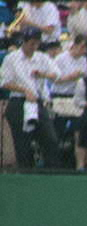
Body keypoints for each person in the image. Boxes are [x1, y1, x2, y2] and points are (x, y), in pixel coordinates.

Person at [0, 27, 60, 168]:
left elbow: (56, 74)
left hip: (37, 102)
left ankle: (51, 171)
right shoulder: (12, 59)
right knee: (23, 143)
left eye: (37, 44)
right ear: (24, 42)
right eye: (31, 43)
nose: (34, 47)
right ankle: (25, 172)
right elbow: (4, 82)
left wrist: (43, 75)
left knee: (50, 139)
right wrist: (24, 90)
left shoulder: (42, 58)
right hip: (19, 101)